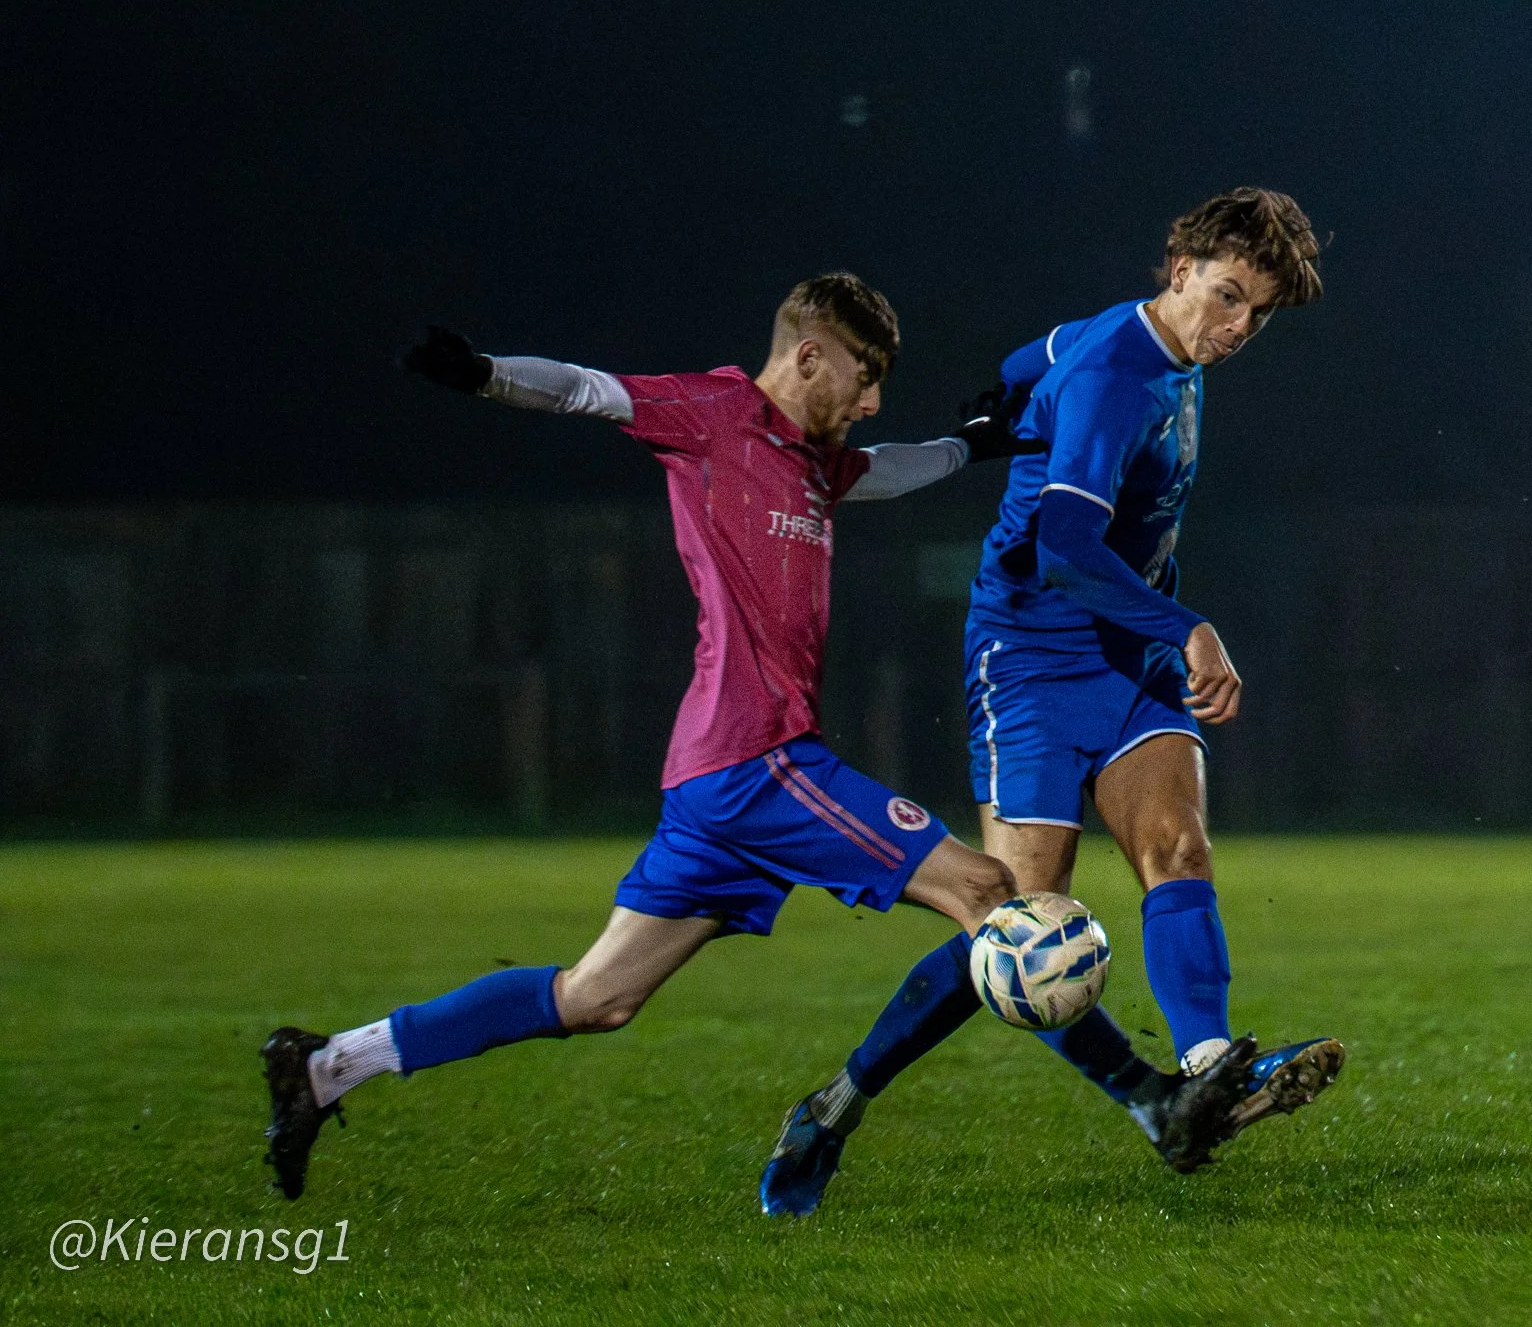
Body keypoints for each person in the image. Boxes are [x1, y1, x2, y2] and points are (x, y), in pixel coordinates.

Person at [261, 272, 1045, 1200]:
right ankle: (1145, 1092)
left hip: (717, 780)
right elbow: (590, 389)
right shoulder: (715, 411)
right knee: (991, 890)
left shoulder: (814, 460)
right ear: (807, 355)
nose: (873, 400)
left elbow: (889, 469)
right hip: (762, 762)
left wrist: (971, 445)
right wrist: (480, 374)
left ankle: (327, 1066)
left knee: (595, 998)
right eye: (864, 375)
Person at [762, 190, 1345, 1217]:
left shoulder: (1121, 341)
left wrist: (996, 411)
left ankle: (1205, 1067)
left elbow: (1030, 360)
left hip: (1125, 655)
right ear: (1178, 266)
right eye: (1225, 297)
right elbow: (1062, 550)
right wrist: (1190, 627)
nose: (1236, 328)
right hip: (1028, 657)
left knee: (1175, 841)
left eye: (1253, 312)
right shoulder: (1117, 381)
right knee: (1021, 926)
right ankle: (836, 1103)